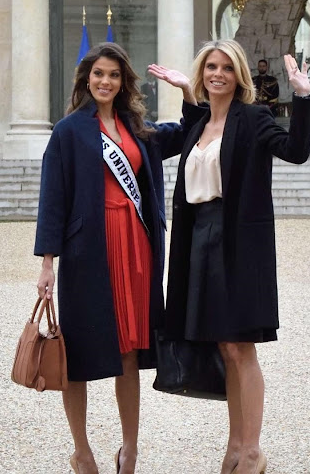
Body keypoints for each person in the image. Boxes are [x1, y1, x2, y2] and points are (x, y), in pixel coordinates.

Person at [34, 42, 204, 474]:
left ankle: (130, 450)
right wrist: (47, 262)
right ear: (86, 78)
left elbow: (189, 132)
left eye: (113, 75)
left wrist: (187, 91)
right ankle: (81, 451)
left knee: (128, 351)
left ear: (123, 81)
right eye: (98, 74)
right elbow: (53, 199)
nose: (105, 82)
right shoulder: (68, 131)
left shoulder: (137, 128)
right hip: (88, 252)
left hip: (136, 248)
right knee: (77, 353)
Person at [163, 40, 310, 474]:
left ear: (239, 75)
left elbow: (296, 151)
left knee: (240, 346)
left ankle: (252, 451)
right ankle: (235, 445)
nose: (218, 74)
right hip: (198, 242)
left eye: (227, 67)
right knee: (222, 346)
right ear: (202, 72)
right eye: (211, 66)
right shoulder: (198, 124)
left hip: (237, 243)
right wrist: (185, 92)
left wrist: (302, 96)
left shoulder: (253, 118)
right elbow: (186, 134)